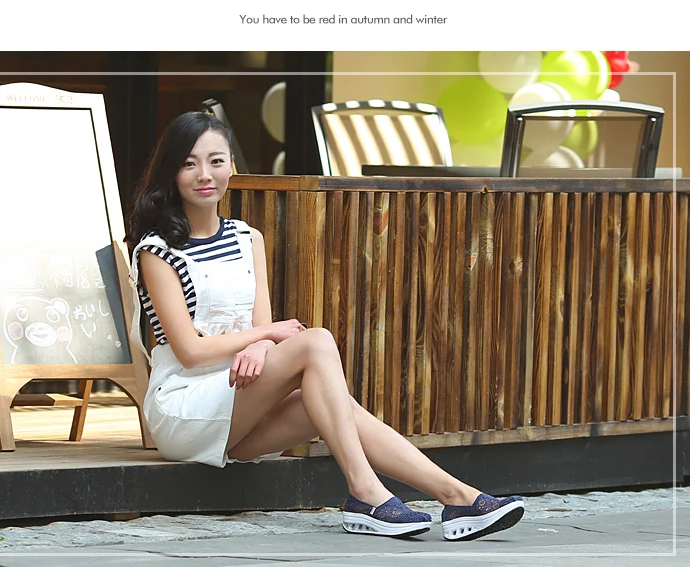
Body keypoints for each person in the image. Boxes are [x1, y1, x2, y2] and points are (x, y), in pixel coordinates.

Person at [124, 111, 524, 541]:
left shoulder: (246, 238)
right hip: (186, 407)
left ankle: (456, 496)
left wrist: (262, 343)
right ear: (172, 171)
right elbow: (190, 351)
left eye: (216, 161)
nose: (205, 174)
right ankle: (365, 491)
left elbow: (264, 330)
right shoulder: (157, 250)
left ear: (231, 167)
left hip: (242, 401)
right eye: (189, 163)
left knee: (330, 403)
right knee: (316, 343)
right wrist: (265, 337)